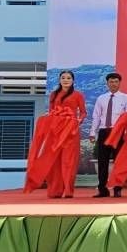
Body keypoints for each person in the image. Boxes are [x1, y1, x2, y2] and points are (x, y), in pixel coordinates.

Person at [24, 70, 87, 198]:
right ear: (59, 80)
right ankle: (55, 190)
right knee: (54, 162)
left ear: (73, 81)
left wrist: (78, 121)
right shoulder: (54, 94)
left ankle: (68, 190)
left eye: (68, 78)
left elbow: (83, 112)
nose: (66, 80)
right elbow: (51, 111)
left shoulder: (78, 95)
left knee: (68, 161)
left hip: (70, 133)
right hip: (55, 132)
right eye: (63, 78)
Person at [88, 72, 127, 198]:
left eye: (116, 81)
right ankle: (102, 189)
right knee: (102, 161)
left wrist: (126, 133)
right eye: (111, 82)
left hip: (118, 132)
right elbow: (96, 116)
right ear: (107, 83)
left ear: (119, 83)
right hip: (103, 131)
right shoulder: (101, 98)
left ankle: (117, 189)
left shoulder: (126, 98)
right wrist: (92, 132)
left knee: (119, 162)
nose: (113, 84)